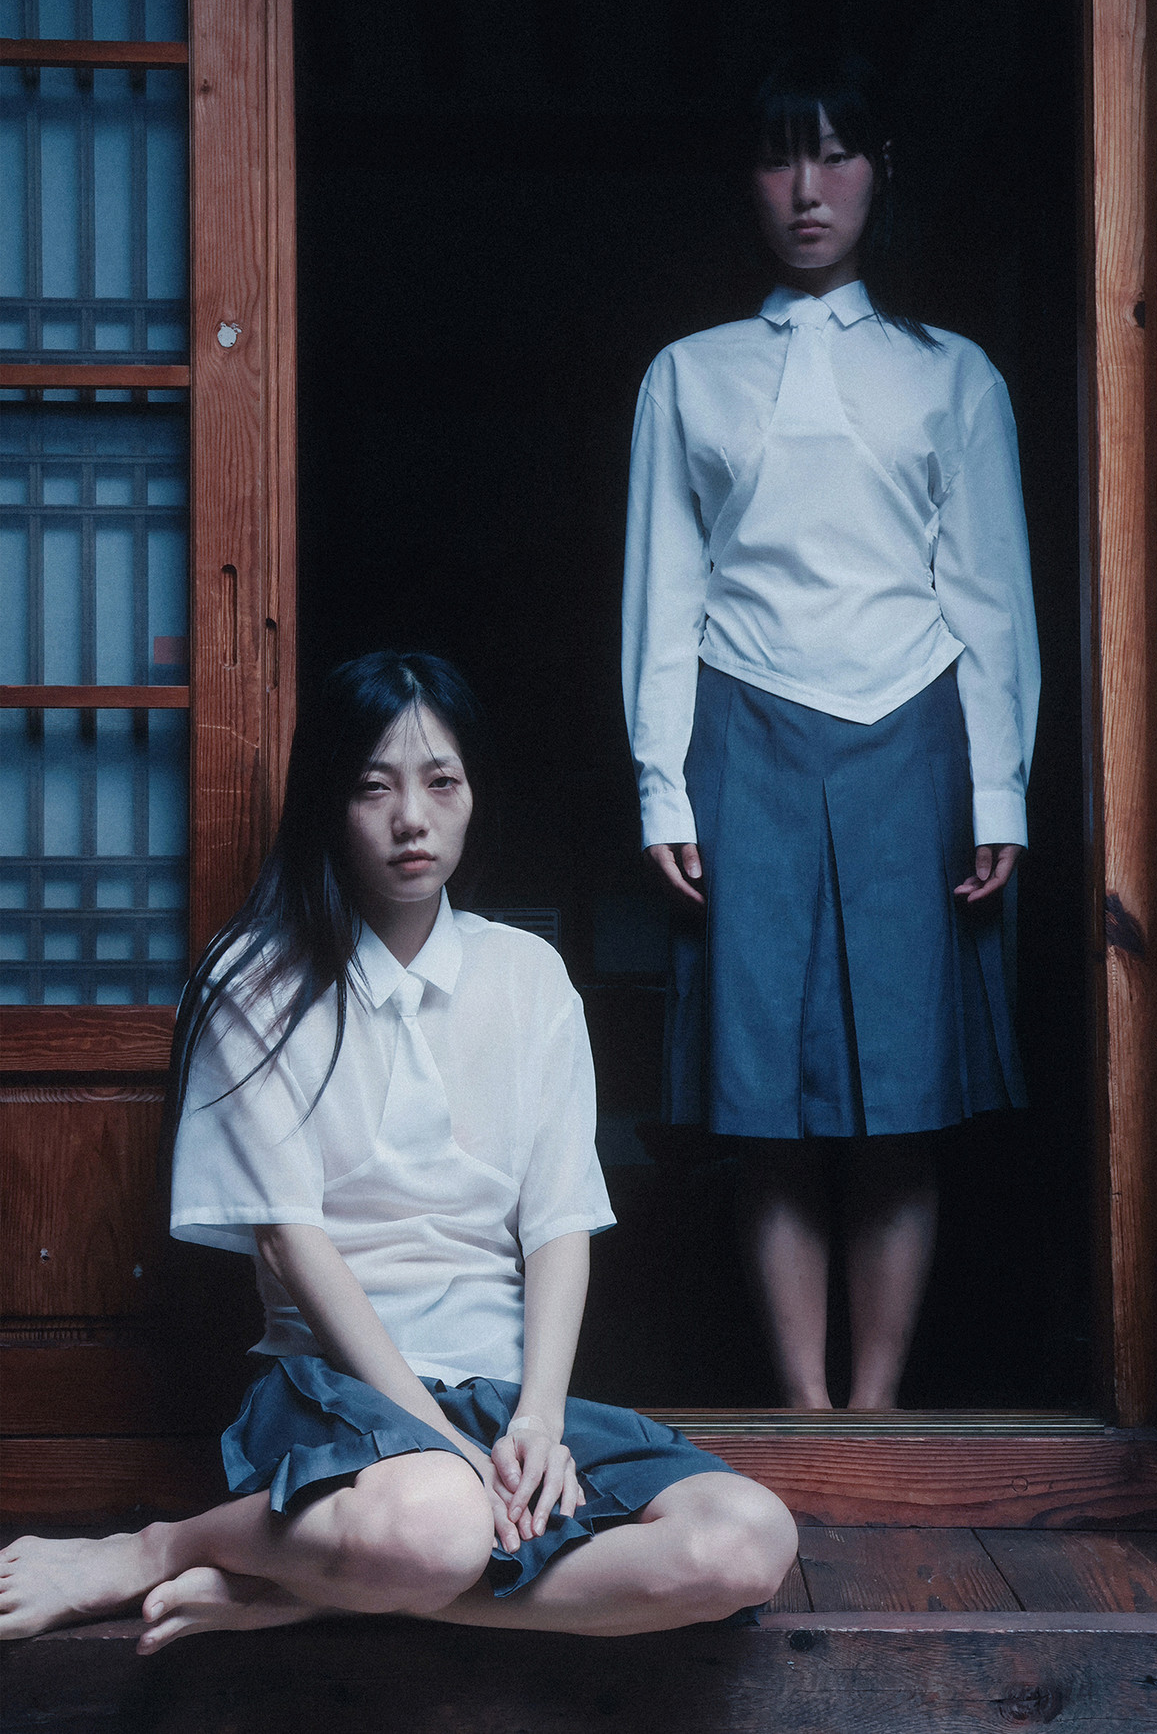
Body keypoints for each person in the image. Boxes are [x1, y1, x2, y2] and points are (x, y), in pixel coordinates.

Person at [0, 652, 796, 1649]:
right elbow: (290, 1241)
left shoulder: (529, 976)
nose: (411, 818)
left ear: (473, 796)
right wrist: (438, 1439)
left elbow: (557, 1224)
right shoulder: (253, 978)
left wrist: (536, 1422)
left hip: (499, 1392)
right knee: (434, 1520)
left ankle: (295, 1590)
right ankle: (160, 1547)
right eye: (373, 786)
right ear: (328, 803)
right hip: (334, 1389)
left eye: (440, 782)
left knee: (746, 1541)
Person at [622, 53, 1039, 1412]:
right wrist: (662, 788)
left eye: (835, 153)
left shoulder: (953, 376)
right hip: (741, 735)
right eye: (777, 156)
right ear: (745, 181)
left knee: (900, 1094)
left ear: (880, 170)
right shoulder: (687, 375)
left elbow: (987, 596)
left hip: (912, 737)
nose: (806, 188)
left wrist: (999, 790)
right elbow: (663, 597)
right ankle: (805, 1414)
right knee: (767, 1100)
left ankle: (879, 1412)